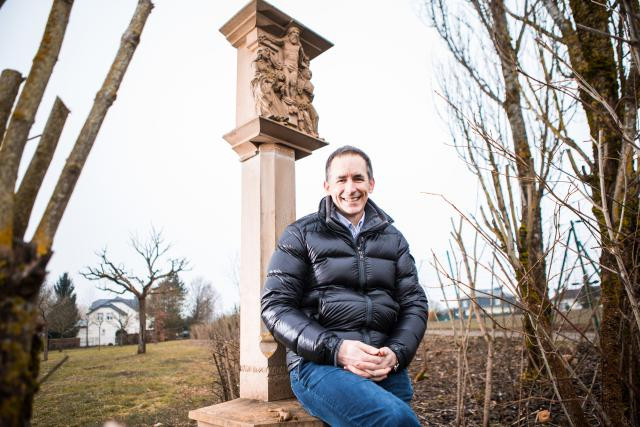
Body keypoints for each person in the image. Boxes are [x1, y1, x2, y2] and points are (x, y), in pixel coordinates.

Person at [261, 146, 428, 426]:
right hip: (320, 366)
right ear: (327, 186)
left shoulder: (394, 239)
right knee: (395, 419)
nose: (350, 188)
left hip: (382, 365)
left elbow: (415, 304)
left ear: (371, 184)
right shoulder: (300, 234)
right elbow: (275, 306)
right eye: (341, 180)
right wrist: (336, 349)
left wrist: (396, 353)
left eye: (358, 179)